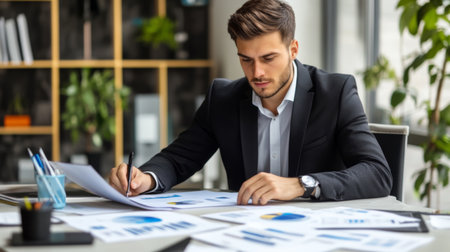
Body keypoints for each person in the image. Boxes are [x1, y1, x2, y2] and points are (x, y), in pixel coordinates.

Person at [109, 0, 392, 205]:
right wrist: (144, 178)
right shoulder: (223, 98)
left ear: (293, 49)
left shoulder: (335, 92)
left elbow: (377, 174)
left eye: (268, 58)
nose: (256, 73)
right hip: (246, 234)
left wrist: (300, 185)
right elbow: (178, 159)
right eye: (246, 59)